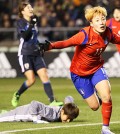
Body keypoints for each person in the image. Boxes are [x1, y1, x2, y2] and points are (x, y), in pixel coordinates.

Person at [41, 6, 120, 134]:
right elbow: (67, 43)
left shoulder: (108, 33)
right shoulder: (84, 35)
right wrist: (50, 45)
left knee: (107, 95)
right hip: (79, 74)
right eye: (98, 20)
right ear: (91, 23)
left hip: (96, 69)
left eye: (103, 19)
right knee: (95, 106)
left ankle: (105, 129)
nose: (101, 22)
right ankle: (94, 93)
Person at [11, 1, 63, 107]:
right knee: (31, 80)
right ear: (22, 11)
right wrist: (31, 24)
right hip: (25, 53)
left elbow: (33, 39)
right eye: (28, 7)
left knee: (44, 75)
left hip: (36, 53)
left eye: (31, 7)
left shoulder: (34, 22)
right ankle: (17, 94)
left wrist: (40, 45)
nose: (31, 9)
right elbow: (25, 37)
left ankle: (52, 101)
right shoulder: (21, 22)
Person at [0, 96, 79, 123]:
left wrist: (72, 105)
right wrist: (35, 119)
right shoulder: (51, 114)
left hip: (25, 109)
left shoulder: (64, 108)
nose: (68, 120)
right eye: (68, 118)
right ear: (62, 111)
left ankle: (6, 112)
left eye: (71, 119)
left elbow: (68, 98)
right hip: (23, 113)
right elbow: (34, 103)